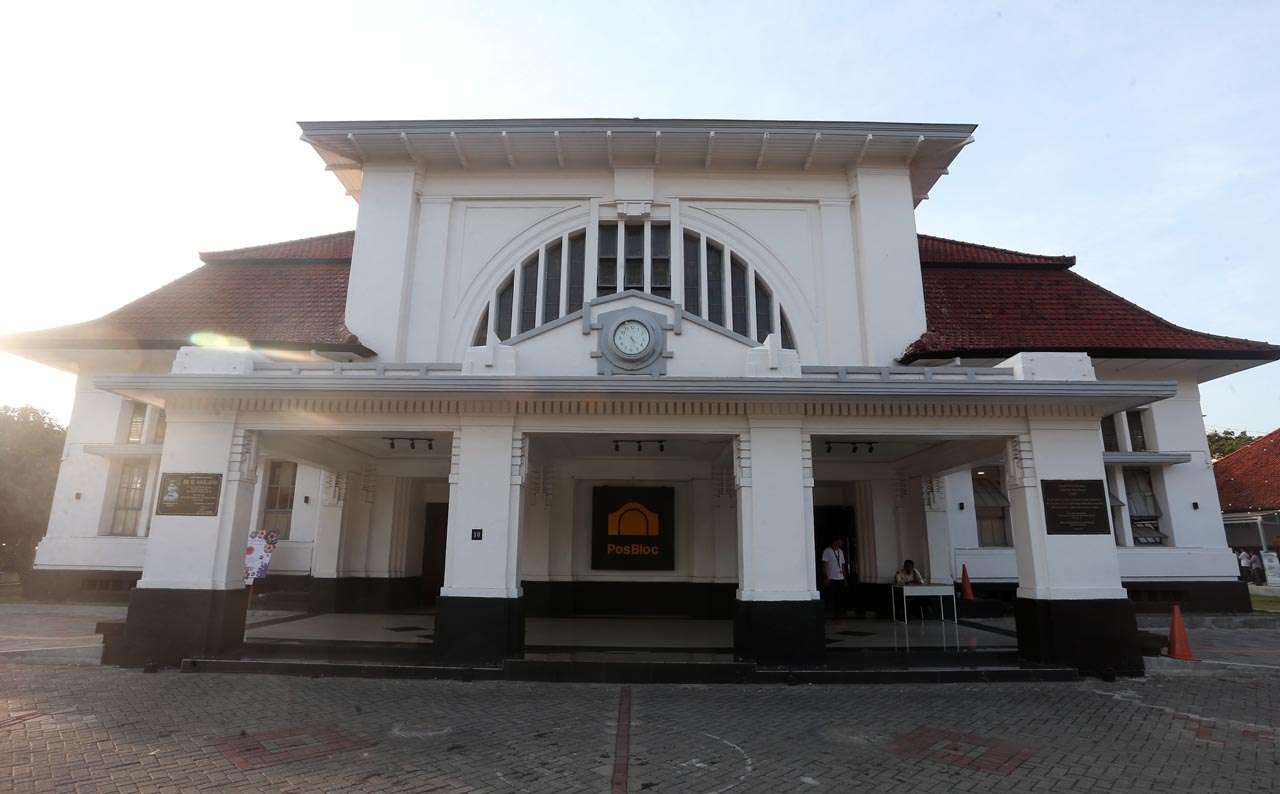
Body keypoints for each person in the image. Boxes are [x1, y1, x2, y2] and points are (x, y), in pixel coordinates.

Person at [820, 537, 849, 622]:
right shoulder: (827, 551)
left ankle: (837, 616)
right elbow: (824, 564)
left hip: (840, 578)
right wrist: (826, 577)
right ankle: (834, 616)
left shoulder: (841, 552)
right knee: (832, 597)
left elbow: (843, 565)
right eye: (840, 540)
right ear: (835, 541)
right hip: (831, 578)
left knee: (839, 598)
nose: (841, 542)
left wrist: (845, 579)